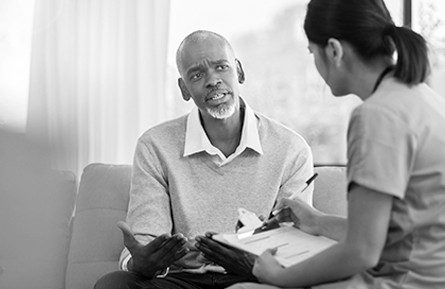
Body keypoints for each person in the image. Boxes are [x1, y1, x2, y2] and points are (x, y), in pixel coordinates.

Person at [228, 0, 445, 288]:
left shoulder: (376, 116)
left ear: (334, 50)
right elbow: (380, 234)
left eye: (312, 53)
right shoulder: (420, 96)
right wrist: (317, 222)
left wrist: (279, 276)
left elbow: (362, 251)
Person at [94, 30, 314, 289]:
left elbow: (291, 246)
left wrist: (248, 261)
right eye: (197, 75)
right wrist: (141, 263)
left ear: (239, 71)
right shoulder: (155, 145)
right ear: (184, 89)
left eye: (221, 67)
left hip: (254, 279)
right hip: (181, 281)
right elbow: (146, 241)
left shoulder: (291, 149)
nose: (213, 80)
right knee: (114, 284)